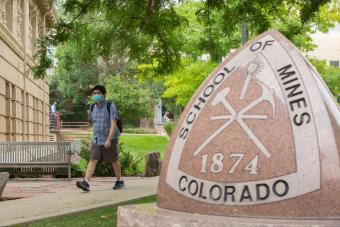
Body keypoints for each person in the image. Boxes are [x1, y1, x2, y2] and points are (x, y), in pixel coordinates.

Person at [76, 85, 124, 191]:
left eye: (98, 93)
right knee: (93, 159)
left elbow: (113, 124)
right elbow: (93, 122)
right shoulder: (92, 107)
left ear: (103, 95)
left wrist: (109, 139)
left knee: (114, 160)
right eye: (94, 93)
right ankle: (86, 182)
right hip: (97, 138)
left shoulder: (110, 106)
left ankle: (119, 180)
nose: (96, 95)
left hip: (110, 138)